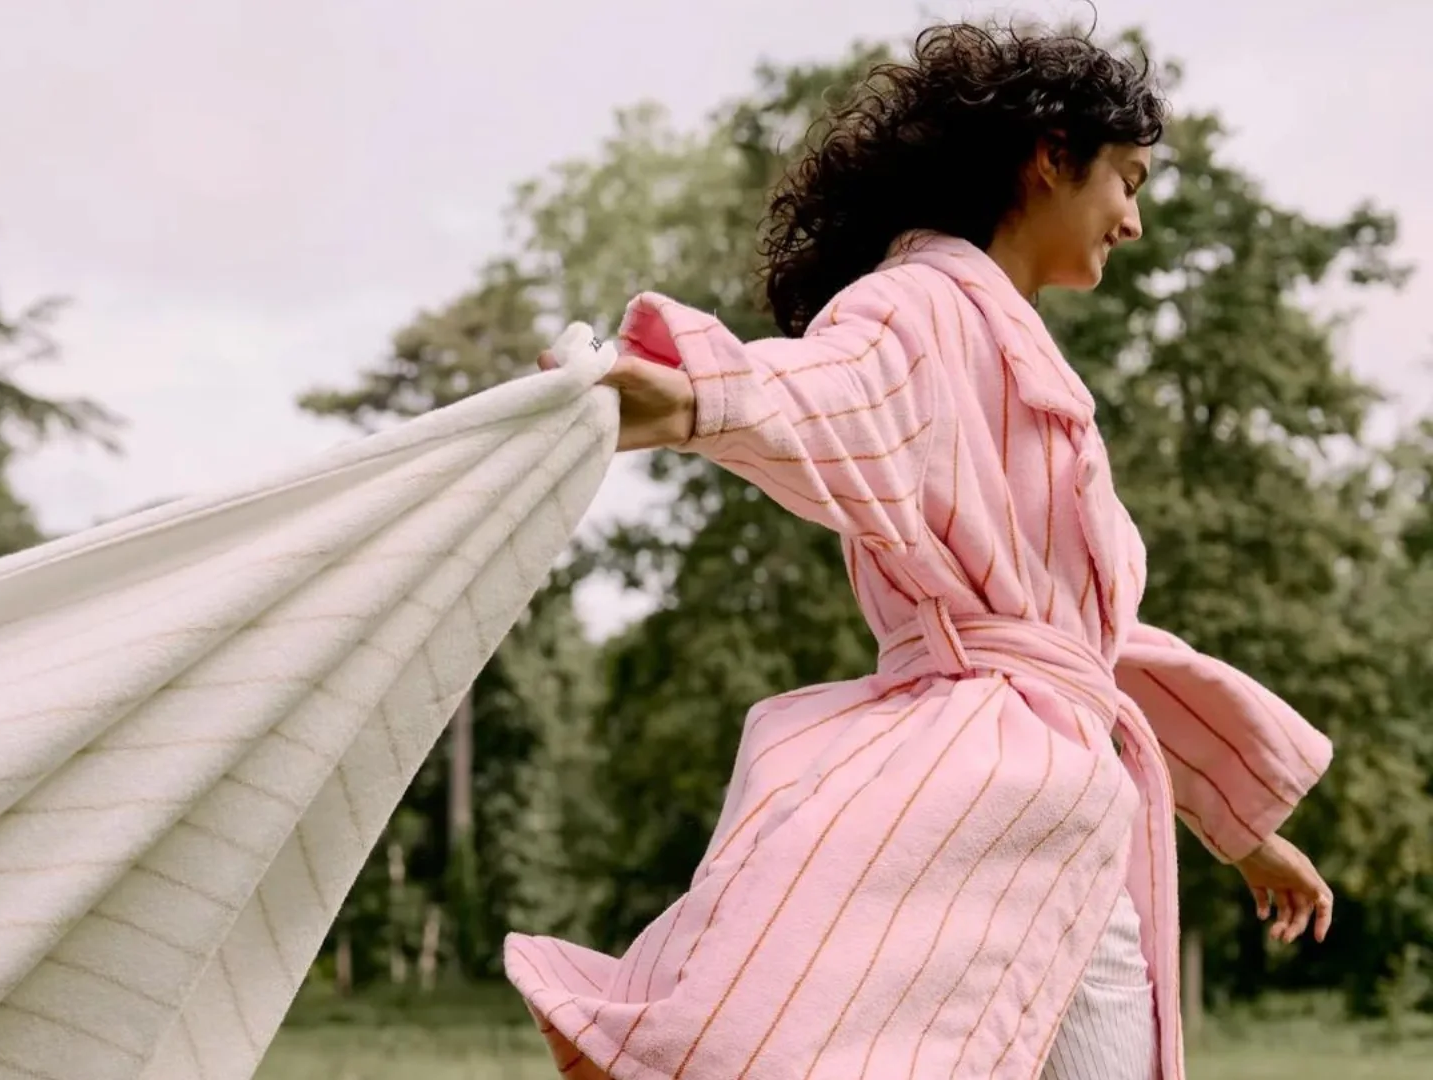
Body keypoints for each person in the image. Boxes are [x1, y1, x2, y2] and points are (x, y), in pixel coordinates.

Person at [507, 21, 1335, 1080]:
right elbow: (839, 391)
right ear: (1049, 155)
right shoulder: (918, 305)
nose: (1133, 220)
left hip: (1051, 801)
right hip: (985, 795)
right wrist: (693, 397)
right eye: (1126, 179)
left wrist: (1234, 821)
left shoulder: (997, 337)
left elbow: (1091, 650)